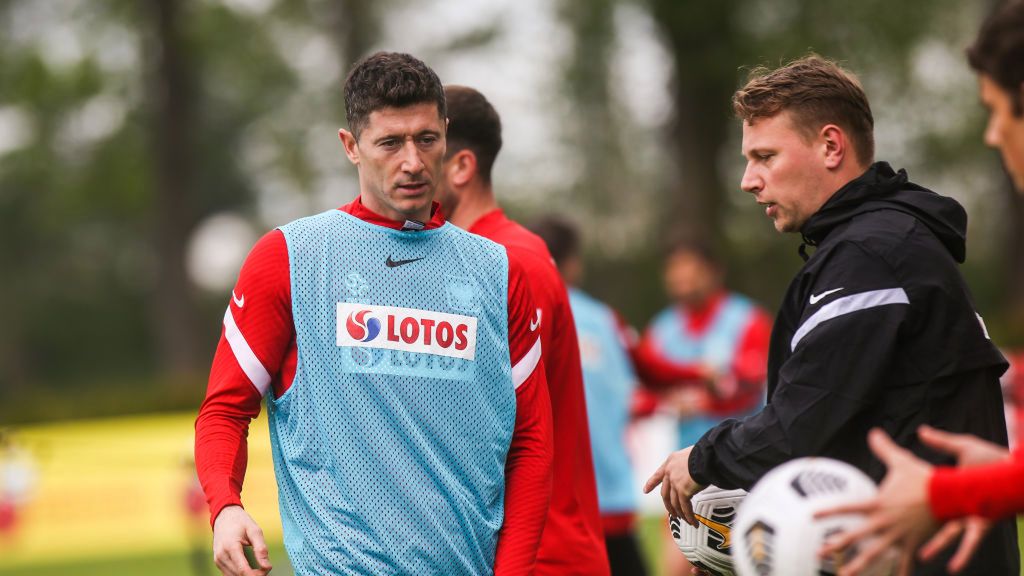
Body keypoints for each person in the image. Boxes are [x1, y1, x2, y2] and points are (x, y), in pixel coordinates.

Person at [642, 54, 1020, 575]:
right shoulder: (880, 244)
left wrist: (704, 458)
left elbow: (804, 420)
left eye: (765, 156)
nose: (748, 180)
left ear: (830, 145)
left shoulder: (870, 254)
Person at [194, 52, 553, 576]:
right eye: (390, 143)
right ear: (351, 147)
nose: (412, 161)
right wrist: (225, 507)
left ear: (447, 136)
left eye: (426, 139)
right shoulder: (289, 258)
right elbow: (225, 410)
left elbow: (531, 441)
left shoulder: (500, 273)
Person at [816, 3, 1024, 574]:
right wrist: (1003, 481)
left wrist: (944, 496)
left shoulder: (878, 247)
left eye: (997, 110)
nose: (992, 134)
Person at [434, 84, 609, 575]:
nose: (409, 167)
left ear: (461, 167)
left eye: (427, 147)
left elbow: (497, 429)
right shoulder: (473, 257)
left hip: (542, 556)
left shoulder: (513, 261)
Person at [632, 240, 770, 575]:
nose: (682, 279)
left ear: (714, 272)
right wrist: (669, 399)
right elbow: (642, 397)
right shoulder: (662, 328)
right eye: (675, 272)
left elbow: (754, 382)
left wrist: (704, 394)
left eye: (690, 270)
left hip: (745, 472)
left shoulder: (748, 320)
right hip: (688, 476)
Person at [531, 216, 649, 576]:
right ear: (573, 262)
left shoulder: (520, 308)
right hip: (608, 489)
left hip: (548, 500)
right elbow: (648, 373)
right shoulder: (603, 319)